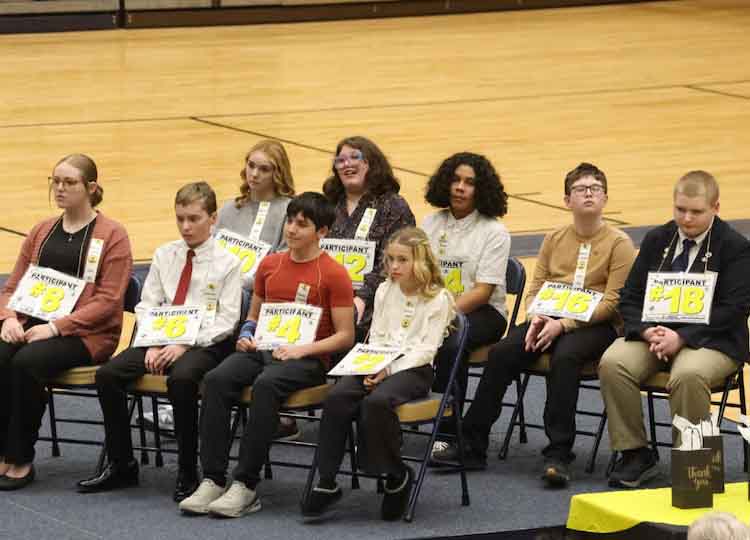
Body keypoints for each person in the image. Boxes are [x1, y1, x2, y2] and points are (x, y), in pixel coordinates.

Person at [432, 163, 635, 487]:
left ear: (605, 198)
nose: (587, 193)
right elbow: (537, 286)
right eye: (580, 189)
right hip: (548, 317)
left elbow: (612, 302)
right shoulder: (554, 237)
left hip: (596, 326)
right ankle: (472, 442)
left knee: (565, 357)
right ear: (567, 200)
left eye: (594, 188)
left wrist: (564, 325)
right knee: (502, 352)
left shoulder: (619, 243)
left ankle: (558, 454)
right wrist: (536, 315)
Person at [178, 192, 354, 518]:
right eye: (290, 221)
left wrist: (304, 349)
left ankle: (245, 485)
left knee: (266, 385)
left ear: (322, 232)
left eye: (302, 225)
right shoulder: (270, 264)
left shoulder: (333, 274)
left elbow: (345, 335)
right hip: (263, 349)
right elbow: (254, 316)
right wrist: (246, 335)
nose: (292, 229)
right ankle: (214, 479)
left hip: (307, 359)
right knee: (216, 379)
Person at [76, 181, 242, 503]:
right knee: (108, 375)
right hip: (159, 338)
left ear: (213, 218)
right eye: (180, 218)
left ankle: (187, 469)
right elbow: (147, 304)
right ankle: (122, 463)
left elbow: (227, 321)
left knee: (181, 379)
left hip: (205, 344)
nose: (185, 226)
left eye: (194, 218)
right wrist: (151, 341)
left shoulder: (228, 263)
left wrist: (182, 345)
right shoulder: (166, 254)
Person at [600, 170, 750, 488]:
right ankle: (636, 454)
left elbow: (735, 309)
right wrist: (643, 331)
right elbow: (630, 297)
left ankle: (697, 471)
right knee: (613, 363)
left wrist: (682, 337)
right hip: (656, 335)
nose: (686, 218)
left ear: (716, 208)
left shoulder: (735, 247)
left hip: (713, 340)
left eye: (696, 211)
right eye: (680, 209)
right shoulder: (658, 239)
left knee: (688, 375)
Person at [302, 227, 455, 522]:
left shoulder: (439, 298)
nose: (394, 267)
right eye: (391, 260)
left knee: (376, 402)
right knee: (338, 396)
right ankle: (327, 479)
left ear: (420, 262)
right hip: (379, 361)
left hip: (414, 369)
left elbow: (426, 350)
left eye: (402, 260)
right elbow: (378, 337)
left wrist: (389, 369)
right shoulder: (385, 290)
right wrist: (373, 365)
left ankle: (396, 474)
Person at [0, 154, 132, 490]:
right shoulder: (41, 230)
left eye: (69, 182)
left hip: (87, 335)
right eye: (55, 181)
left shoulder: (113, 234)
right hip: (34, 323)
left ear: (91, 188)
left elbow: (108, 302)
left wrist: (56, 327)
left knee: (27, 362)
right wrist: (10, 318)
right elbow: (12, 286)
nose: (59, 188)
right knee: (2, 351)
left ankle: (20, 458)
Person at [149, 140, 296, 438]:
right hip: (215, 289)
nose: (254, 174)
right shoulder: (231, 208)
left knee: (237, 297)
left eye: (264, 169)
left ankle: (217, 398)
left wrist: (240, 281)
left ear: (277, 173)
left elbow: (282, 262)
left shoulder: (287, 211)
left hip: (257, 295)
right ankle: (179, 389)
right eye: (251, 165)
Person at [421, 152, 510, 449]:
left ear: (481, 189)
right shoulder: (430, 222)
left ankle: (447, 429)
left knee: (451, 336)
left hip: (482, 312)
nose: (460, 187)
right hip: (433, 307)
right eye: (455, 180)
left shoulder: (494, 231)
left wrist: (440, 313)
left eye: (469, 183)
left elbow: (483, 291)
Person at [323, 135, 416, 340]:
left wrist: (363, 297)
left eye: (355, 157)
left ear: (371, 163)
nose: (347, 164)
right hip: (328, 295)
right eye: (341, 160)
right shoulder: (328, 205)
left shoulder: (393, 206)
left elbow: (394, 263)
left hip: (377, 299)